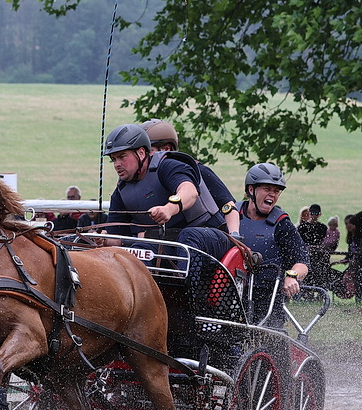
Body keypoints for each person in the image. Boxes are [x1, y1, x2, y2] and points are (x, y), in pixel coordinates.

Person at [100, 123, 234, 262]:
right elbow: (116, 238)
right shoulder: (121, 192)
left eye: (122, 157)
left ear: (140, 153)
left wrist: (169, 209)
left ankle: (189, 284)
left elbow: (189, 191)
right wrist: (101, 239)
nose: (117, 164)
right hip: (169, 245)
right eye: (113, 159)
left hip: (209, 238)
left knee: (189, 237)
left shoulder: (168, 166)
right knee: (140, 250)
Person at [238, 163, 309, 328]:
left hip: (268, 299)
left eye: (276, 191)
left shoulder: (282, 224)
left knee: (274, 345)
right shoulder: (232, 214)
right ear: (251, 190)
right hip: (231, 294)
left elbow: (302, 261)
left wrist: (291, 276)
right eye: (267, 188)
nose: (272, 194)